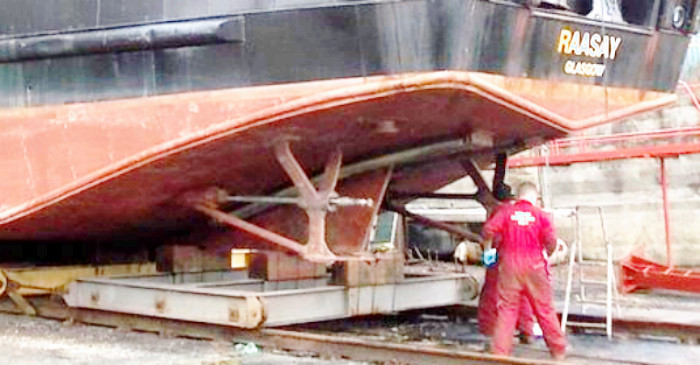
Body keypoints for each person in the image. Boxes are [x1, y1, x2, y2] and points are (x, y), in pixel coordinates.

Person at [482, 182, 567, 360]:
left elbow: (488, 230)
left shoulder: (506, 213)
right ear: (534, 197)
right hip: (535, 264)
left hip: (510, 265)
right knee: (544, 309)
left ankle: (500, 353)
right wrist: (546, 254)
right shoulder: (541, 215)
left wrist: (488, 253)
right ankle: (558, 350)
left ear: (518, 196)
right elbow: (551, 241)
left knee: (507, 309)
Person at [477, 183, 535, 344]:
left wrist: (488, 258)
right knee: (522, 294)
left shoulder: (499, 212)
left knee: (491, 292)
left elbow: (489, 234)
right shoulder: (520, 211)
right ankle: (526, 330)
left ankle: (490, 329)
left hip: (503, 258)